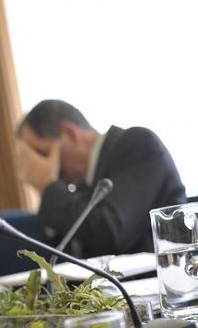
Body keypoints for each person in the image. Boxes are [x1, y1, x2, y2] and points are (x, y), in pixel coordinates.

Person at [15, 99, 186, 257]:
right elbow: (63, 256)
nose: (44, 167)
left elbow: (112, 233)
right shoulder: (81, 186)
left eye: (43, 154)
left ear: (71, 134)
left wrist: (47, 184)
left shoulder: (137, 144)